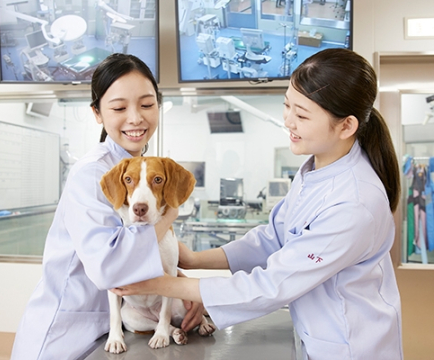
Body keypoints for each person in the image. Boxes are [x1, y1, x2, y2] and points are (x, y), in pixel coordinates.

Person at [113, 48, 404, 360]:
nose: (289, 121)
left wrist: (163, 285)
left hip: (351, 346)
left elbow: (272, 285)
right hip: (318, 337)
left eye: (302, 115)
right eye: (287, 106)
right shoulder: (316, 170)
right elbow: (274, 238)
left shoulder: (355, 204)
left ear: (346, 126)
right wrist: (194, 258)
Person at [10, 53, 203, 360]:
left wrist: (181, 289)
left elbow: (144, 250)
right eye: (119, 107)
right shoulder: (93, 173)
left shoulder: (137, 168)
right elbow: (110, 268)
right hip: (66, 333)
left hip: (113, 331)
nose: (136, 118)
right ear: (97, 113)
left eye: (146, 104)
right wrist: (169, 215)